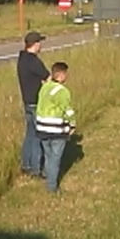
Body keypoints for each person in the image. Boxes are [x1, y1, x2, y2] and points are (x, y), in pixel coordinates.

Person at [34, 61, 76, 194]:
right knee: (55, 158)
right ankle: (52, 186)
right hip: (56, 129)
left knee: (48, 155)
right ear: (62, 75)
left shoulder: (44, 87)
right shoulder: (63, 91)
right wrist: (72, 124)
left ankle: (48, 176)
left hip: (42, 128)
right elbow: (67, 110)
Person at [16, 31, 49, 177]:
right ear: (35, 44)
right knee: (37, 135)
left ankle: (26, 164)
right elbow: (47, 77)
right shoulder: (34, 61)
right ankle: (36, 168)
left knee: (29, 133)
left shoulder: (22, 59)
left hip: (27, 101)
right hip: (36, 102)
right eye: (39, 42)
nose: (41, 45)